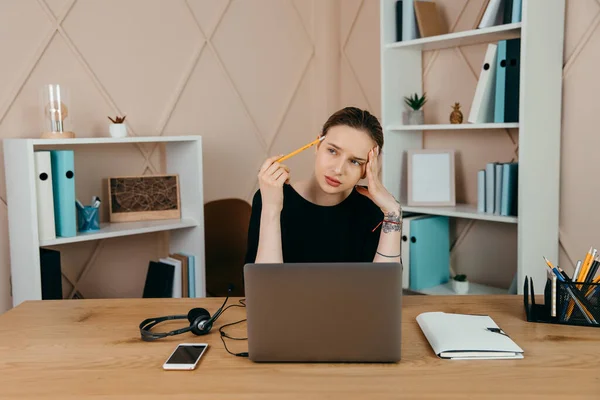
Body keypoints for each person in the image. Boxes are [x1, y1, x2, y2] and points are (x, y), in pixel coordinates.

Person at [244, 106, 402, 264]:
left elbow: (384, 285)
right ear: (318, 146)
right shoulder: (271, 196)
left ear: (367, 169)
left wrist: (393, 214)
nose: (338, 169)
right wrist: (271, 208)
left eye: (354, 161)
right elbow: (263, 286)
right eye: (333, 151)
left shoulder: (374, 208)